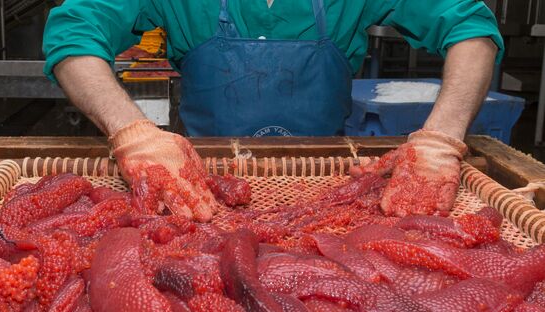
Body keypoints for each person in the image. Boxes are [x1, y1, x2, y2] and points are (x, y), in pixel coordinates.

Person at [42, 0, 503, 221]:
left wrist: (442, 137)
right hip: (197, 188)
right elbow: (74, 33)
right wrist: (131, 132)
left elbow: (471, 29)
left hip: (331, 188)